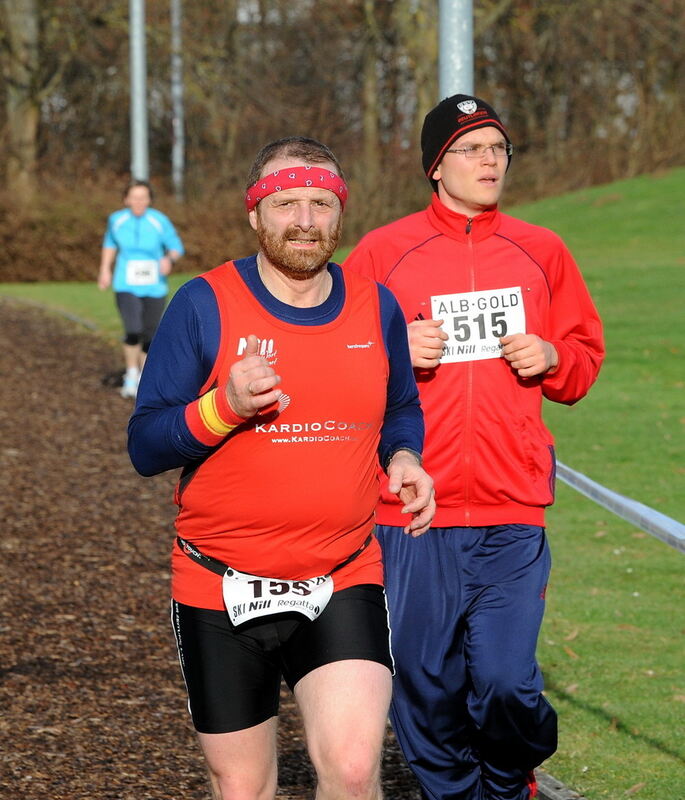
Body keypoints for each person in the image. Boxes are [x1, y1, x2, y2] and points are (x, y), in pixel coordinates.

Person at [127, 136, 436, 800]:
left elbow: (401, 405)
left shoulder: (374, 305)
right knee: (242, 787)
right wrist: (225, 406)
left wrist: (403, 457)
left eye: (320, 203)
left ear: (339, 213)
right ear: (254, 215)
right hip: (219, 582)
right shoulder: (203, 303)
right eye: (286, 202)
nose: (304, 219)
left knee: (353, 771)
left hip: (342, 572)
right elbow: (147, 445)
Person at [344, 94, 605, 800]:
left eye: (498, 149)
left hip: (509, 508)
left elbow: (582, 360)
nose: (489, 161)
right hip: (410, 512)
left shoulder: (541, 250)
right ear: (436, 166)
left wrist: (551, 354)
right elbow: (340, 363)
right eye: (472, 148)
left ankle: (507, 779)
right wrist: (395, 351)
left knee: (504, 681)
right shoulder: (382, 252)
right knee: (424, 685)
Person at [98, 179, 184, 399]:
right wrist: (105, 270)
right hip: (126, 283)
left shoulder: (159, 220)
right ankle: (131, 374)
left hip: (154, 286)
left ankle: (145, 380)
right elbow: (110, 245)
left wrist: (168, 259)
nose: (138, 202)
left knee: (150, 334)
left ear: (149, 200)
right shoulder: (117, 220)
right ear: (126, 199)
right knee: (133, 328)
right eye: (134, 197)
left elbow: (175, 246)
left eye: (143, 197)